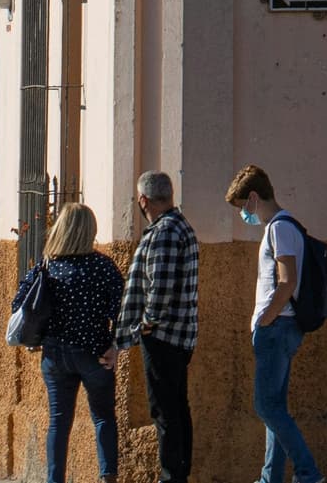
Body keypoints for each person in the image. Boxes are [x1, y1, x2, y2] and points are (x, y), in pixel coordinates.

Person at [12, 202, 123, 483]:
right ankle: (107, 477)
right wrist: (115, 345)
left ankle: (54, 479)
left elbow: (20, 303)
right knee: (103, 418)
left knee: (59, 421)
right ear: (91, 231)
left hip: (54, 354)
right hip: (94, 352)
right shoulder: (103, 267)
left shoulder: (48, 265)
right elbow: (120, 310)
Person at [226, 167, 321, 483]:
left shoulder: (279, 228)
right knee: (275, 409)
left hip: (277, 327)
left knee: (266, 406)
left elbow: (287, 281)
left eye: (243, 206)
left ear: (253, 197)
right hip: (283, 328)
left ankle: (308, 474)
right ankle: (271, 478)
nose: (243, 214)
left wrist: (264, 320)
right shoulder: (287, 226)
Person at [114, 171, 199, 483]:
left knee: (164, 411)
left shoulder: (163, 232)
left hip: (163, 336)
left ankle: (171, 475)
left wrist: (147, 324)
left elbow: (159, 289)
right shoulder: (181, 226)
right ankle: (179, 472)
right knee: (177, 406)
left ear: (143, 200)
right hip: (180, 334)